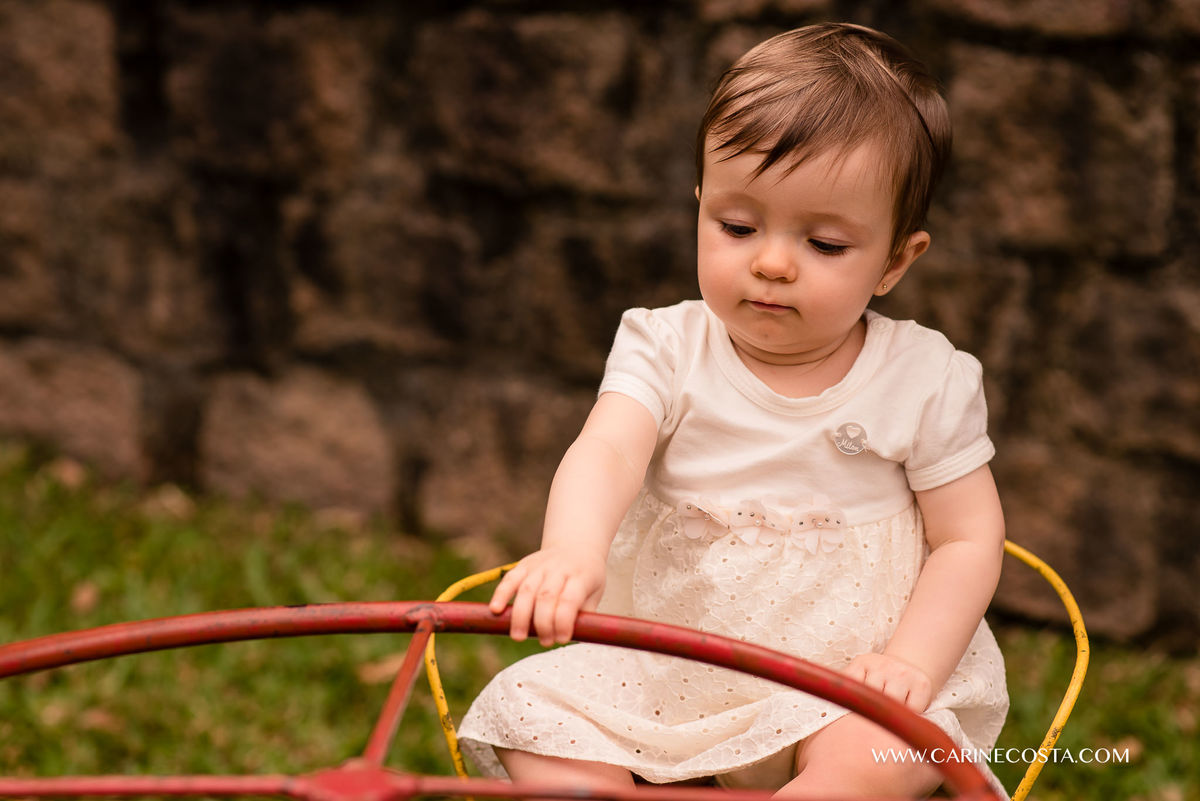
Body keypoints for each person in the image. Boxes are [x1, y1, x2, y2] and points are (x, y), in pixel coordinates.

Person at [457, 22, 1008, 798]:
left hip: (852, 676)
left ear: (894, 260)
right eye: (737, 226)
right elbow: (609, 449)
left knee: (877, 755)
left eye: (824, 243)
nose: (772, 262)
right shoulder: (666, 344)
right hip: (671, 667)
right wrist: (572, 549)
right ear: (700, 207)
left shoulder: (922, 378)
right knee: (536, 713)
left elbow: (968, 536)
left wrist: (909, 664)